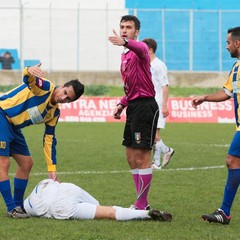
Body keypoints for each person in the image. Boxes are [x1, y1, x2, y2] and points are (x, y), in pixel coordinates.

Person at [0, 63, 84, 218]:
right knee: (3, 163)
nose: (63, 98)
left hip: (14, 126)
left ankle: (18, 206)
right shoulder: (45, 87)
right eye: (65, 92)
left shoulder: (54, 113)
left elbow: (49, 140)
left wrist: (52, 170)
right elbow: (29, 79)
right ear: (62, 85)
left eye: (68, 99)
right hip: (2, 114)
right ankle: (11, 208)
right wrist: (29, 70)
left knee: (27, 163)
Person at [108, 15, 159, 210]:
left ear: (136, 31)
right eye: (122, 27)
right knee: (130, 156)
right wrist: (122, 104)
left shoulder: (140, 50)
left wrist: (126, 42)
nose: (124, 30)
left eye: (128, 27)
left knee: (142, 157)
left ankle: (141, 204)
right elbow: (131, 84)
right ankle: (140, 201)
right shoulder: (125, 55)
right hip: (133, 107)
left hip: (145, 107)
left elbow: (141, 48)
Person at [191, 26, 240, 225]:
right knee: (233, 161)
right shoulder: (237, 67)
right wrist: (205, 98)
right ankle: (224, 212)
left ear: (237, 43)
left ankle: (224, 212)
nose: (226, 46)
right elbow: (227, 92)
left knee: (232, 160)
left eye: (228, 42)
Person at [23, 179, 172, 222]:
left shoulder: (30, 200)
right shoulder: (59, 185)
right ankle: (144, 213)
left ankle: (145, 215)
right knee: (106, 210)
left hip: (41, 206)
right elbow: (95, 204)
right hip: (67, 195)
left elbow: (24, 206)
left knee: (106, 213)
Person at [142, 38, 174, 170]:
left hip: (158, 105)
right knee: (152, 134)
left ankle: (167, 150)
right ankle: (157, 162)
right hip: (149, 104)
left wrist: (165, 105)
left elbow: (165, 85)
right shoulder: (146, 64)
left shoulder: (159, 65)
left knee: (154, 135)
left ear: (149, 49)